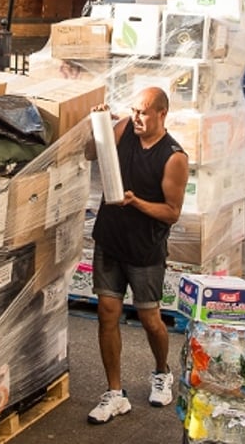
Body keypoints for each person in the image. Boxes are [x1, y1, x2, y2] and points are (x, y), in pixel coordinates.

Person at [83, 86, 189, 424]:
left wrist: (136, 201)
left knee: (150, 320)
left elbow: (172, 212)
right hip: (110, 240)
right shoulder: (124, 128)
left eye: (144, 112)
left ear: (162, 114)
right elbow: (89, 153)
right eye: (134, 110)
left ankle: (162, 371)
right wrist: (97, 125)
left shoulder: (174, 157)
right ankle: (115, 393)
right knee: (107, 313)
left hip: (144, 249)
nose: (137, 118)